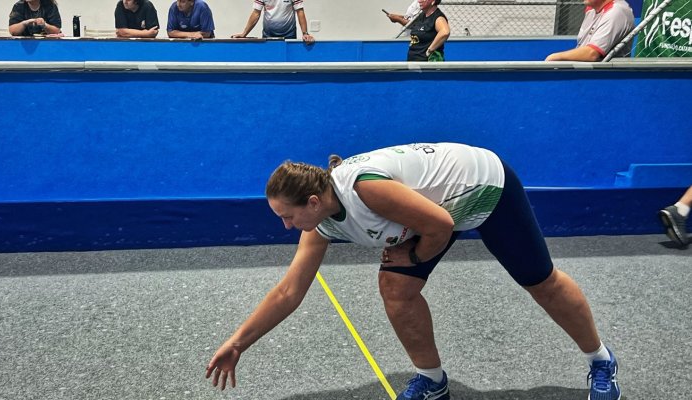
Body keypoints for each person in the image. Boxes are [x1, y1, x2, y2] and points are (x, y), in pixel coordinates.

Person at [205, 142, 621, 400]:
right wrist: (239, 343)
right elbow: (288, 293)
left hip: (483, 187)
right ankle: (432, 380)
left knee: (541, 283)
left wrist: (416, 257)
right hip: (432, 210)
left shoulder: (366, 190)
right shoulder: (323, 221)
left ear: (313, 201)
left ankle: (601, 362)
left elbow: (439, 224)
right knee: (394, 288)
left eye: (288, 216)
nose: (285, 226)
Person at [545, 0, 634, 61]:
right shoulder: (591, 10)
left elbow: (592, 54)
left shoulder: (617, 12)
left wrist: (554, 57)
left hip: (604, 77)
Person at [231, 0, 314, 45]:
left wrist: (305, 33)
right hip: (268, 35)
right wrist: (244, 34)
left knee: (288, 67)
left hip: (289, 35)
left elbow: (300, 11)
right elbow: (256, 13)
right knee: (268, 65)